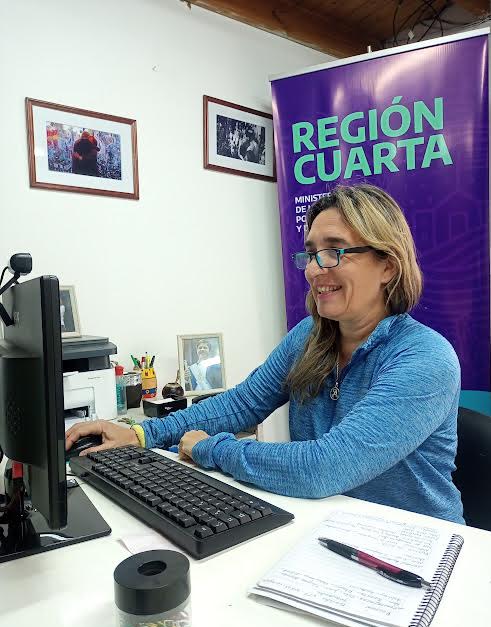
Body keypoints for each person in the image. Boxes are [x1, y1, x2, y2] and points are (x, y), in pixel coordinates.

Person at [66, 183, 463, 523]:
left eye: (334, 252)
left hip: (419, 545)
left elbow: (325, 467)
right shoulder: (310, 336)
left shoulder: (425, 359)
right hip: (328, 524)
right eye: (311, 253)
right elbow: (243, 403)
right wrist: (140, 433)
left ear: (388, 266)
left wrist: (209, 448)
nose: (314, 270)